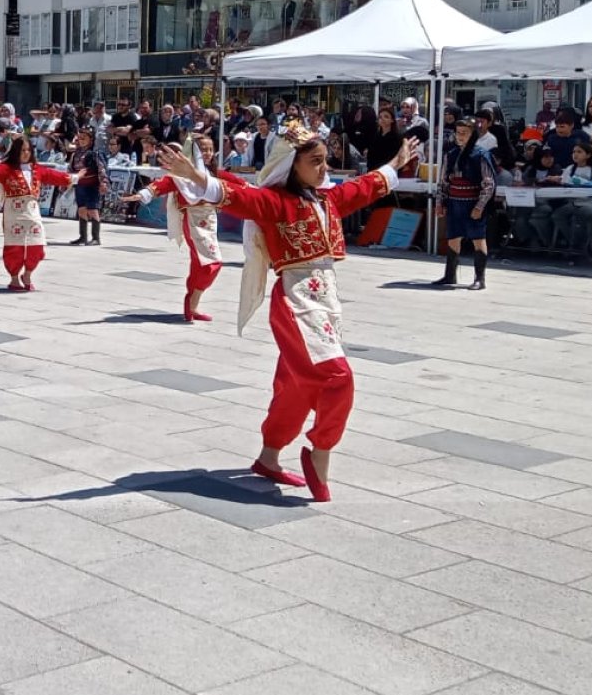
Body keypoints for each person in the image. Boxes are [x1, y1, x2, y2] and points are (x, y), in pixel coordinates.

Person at [159, 124, 420, 502]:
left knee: (295, 387)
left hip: (325, 302)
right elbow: (236, 196)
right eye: (315, 162)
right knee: (338, 379)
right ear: (290, 165)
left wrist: (396, 163)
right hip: (297, 303)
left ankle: (268, 457)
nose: (324, 169)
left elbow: (364, 188)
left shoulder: (327, 200)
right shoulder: (276, 202)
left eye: (325, 161)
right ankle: (320, 452)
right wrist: (194, 175)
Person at [0, 135, 80, 291]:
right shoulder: (6, 168)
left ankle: (27, 274)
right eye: (22, 150)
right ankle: (14, 278)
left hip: (32, 212)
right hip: (13, 212)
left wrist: (75, 178)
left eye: (28, 150)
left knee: (37, 247)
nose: (26, 153)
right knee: (15, 247)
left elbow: (55, 176)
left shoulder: (36, 168)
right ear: (16, 152)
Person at [124, 152, 225, 321]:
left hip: (210, 219)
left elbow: (238, 186)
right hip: (193, 220)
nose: (207, 153)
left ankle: (192, 305)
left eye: (210, 149)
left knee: (199, 263)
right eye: (203, 150)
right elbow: (162, 184)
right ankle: (192, 299)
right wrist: (142, 195)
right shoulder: (180, 176)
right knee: (212, 263)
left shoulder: (214, 173)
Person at [434, 117, 496, 289]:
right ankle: (450, 275)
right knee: (453, 238)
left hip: (472, 203)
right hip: (455, 202)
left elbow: (488, 184)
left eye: (464, 133)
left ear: (473, 135)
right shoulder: (451, 155)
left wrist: (480, 206)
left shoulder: (480, 155)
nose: (460, 137)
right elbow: (444, 181)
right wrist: (440, 203)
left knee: (478, 238)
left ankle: (479, 279)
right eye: (458, 133)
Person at [67, 127, 106, 245]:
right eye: (80, 137)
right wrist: (67, 181)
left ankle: (96, 238)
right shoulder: (76, 153)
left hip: (92, 185)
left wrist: (103, 182)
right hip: (79, 185)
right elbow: (70, 168)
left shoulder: (95, 153)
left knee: (93, 210)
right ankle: (82, 237)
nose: (82, 140)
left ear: (91, 139)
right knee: (81, 210)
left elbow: (102, 168)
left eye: (85, 138)